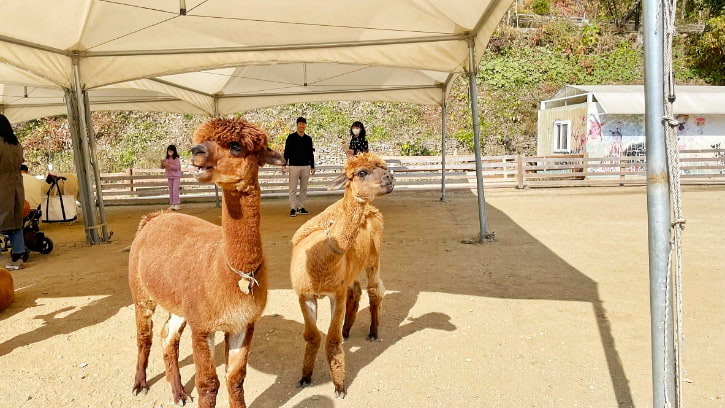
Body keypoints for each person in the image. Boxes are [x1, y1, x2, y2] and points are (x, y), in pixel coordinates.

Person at [0, 114, 27, 270]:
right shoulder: (16, 144)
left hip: (2, 186)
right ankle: (18, 255)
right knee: (16, 222)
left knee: (3, 220)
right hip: (16, 186)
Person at [281, 117, 315, 217]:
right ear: (297, 125)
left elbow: (310, 153)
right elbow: (286, 152)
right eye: (300, 124)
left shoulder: (308, 139)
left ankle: (301, 207)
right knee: (292, 188)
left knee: (303, 189)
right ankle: (293, 208)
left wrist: (312, 166)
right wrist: (283, 164)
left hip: (306, 166)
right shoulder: (291, 137)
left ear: (305, 125)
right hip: (294, 166)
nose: (302, 126)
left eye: (303, 124)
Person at [160, 144, 182, 210]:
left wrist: (170, 165)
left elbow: (178, 167)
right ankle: (172, 204)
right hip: (169, 176)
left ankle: (177, 204)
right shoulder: (166, 159)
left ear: (174, 151)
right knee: (171, 190)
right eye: (169, 151)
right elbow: (162, 167)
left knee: (175, 190)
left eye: (171, 151)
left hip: (176, 176)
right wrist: (162, 164)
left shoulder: (176, 159)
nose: (170, 153)